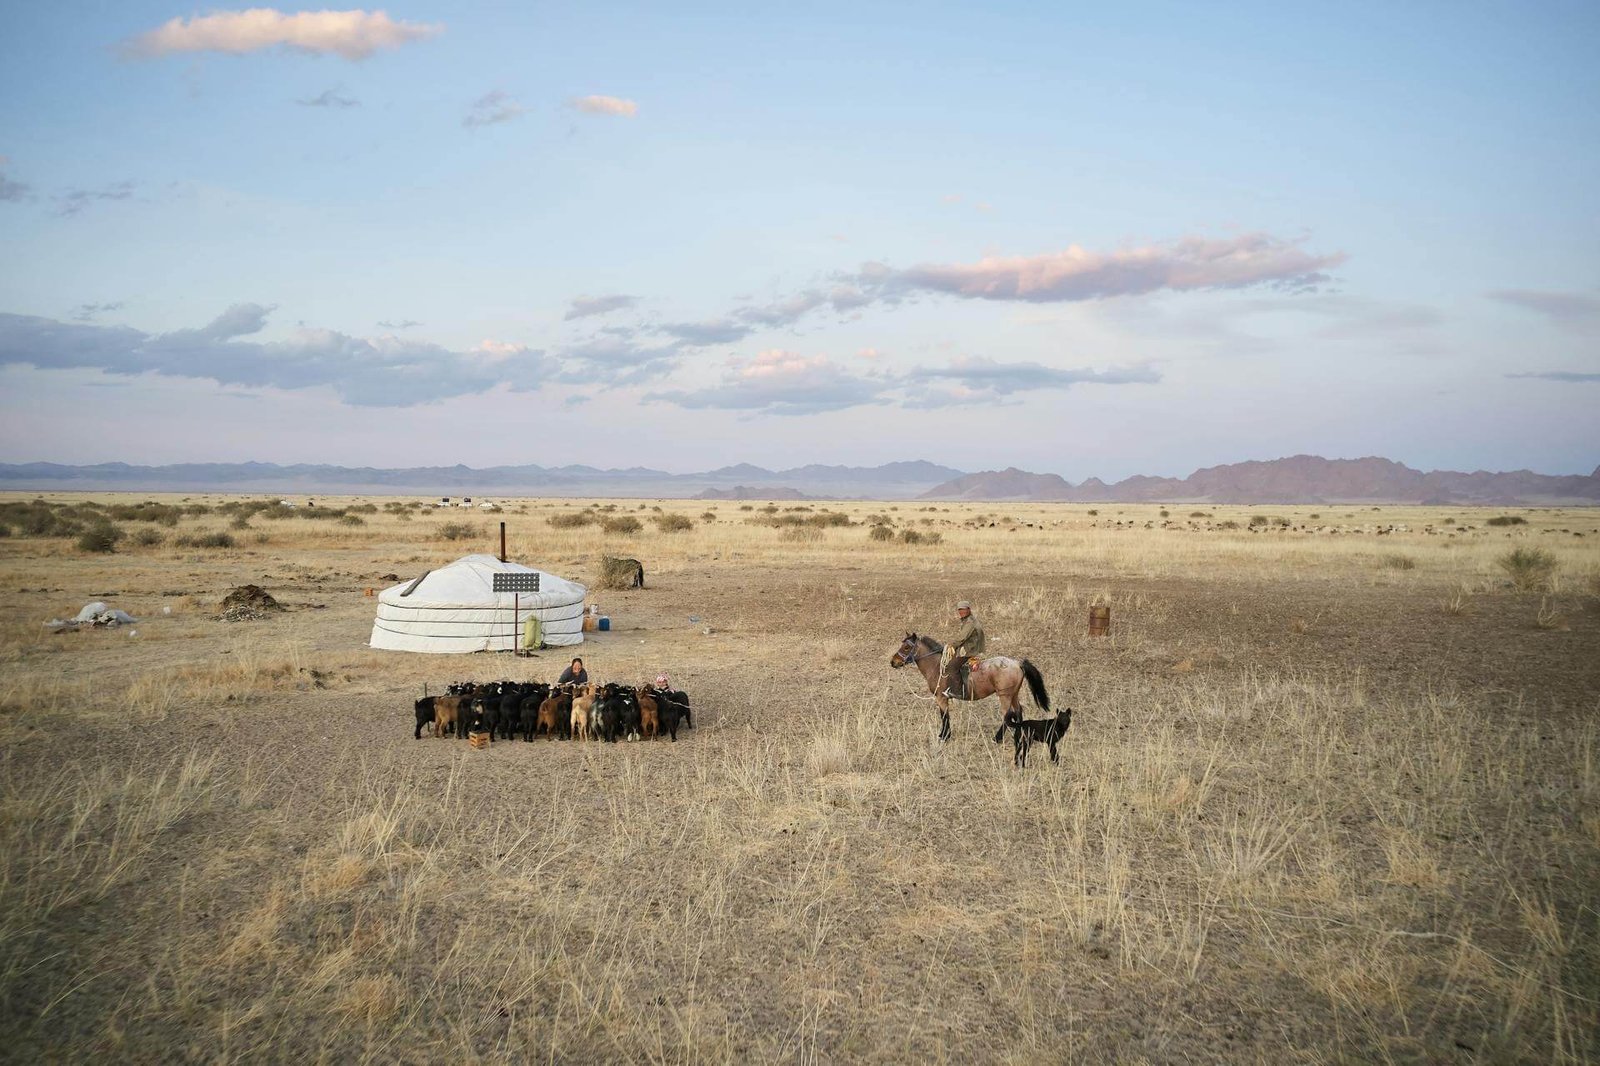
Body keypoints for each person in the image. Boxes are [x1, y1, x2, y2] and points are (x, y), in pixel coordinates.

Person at [938, 600, 985, 700]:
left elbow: (962, 637)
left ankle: (958, 692)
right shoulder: (968, 619)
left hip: (970, 650)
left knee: (951, 666)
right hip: (971, 646)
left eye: (963, 609)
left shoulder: (969, 622)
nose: (961, 612)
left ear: (969, 609)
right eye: (959, 610)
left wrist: (951, 645)